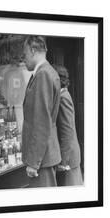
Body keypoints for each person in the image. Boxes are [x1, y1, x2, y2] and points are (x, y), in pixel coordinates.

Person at [21, 36, 61, 187]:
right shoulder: (46, 72)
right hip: (44, 156)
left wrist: (33, 162)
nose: (23, 59)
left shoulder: (43, 74)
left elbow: (41, 121)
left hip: (42, 159)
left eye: (24, 55)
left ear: (32, 51)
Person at [53, 64, 83, 186]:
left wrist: (63, 161)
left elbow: (67, 130)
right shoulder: (62, 95)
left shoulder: (63, 97)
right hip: (69, 157)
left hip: (69, 159)